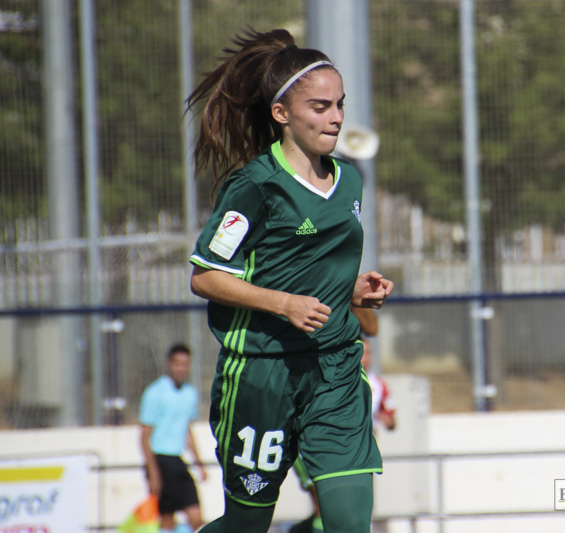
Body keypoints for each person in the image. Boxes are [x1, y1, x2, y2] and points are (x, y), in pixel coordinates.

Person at [186, 28, 394, 533]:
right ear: (281, 113)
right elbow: (207, 277)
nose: (337, 117)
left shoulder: (350, 180)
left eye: (340, 105)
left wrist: (352, 290)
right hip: (262, 375)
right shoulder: (256, 186)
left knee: (347, 523)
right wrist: (284, 304)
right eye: (320, 106)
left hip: (336, 371)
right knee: (246, 526)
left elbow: (309, 269)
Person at [289, 334, 397, 533]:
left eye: (369, 353)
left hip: (359, 454)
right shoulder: (331, 377)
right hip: (325, 448)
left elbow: (391, 420)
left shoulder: (378, 385)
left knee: (353, 510)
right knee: (323, 505)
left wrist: (385, 420)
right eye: (362, 352)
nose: (365, 358)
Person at [139, 343, 206, 533]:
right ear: (169, 364)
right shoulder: (155, 393)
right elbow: (144, 437)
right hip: (160, 459)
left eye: (185, 364)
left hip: (178, 461)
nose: (181, 368)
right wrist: (153, 473)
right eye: (177, 364)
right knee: (167, 519)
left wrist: (199, 463)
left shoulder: (190, 393)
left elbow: (187, 432)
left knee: (196, 518)